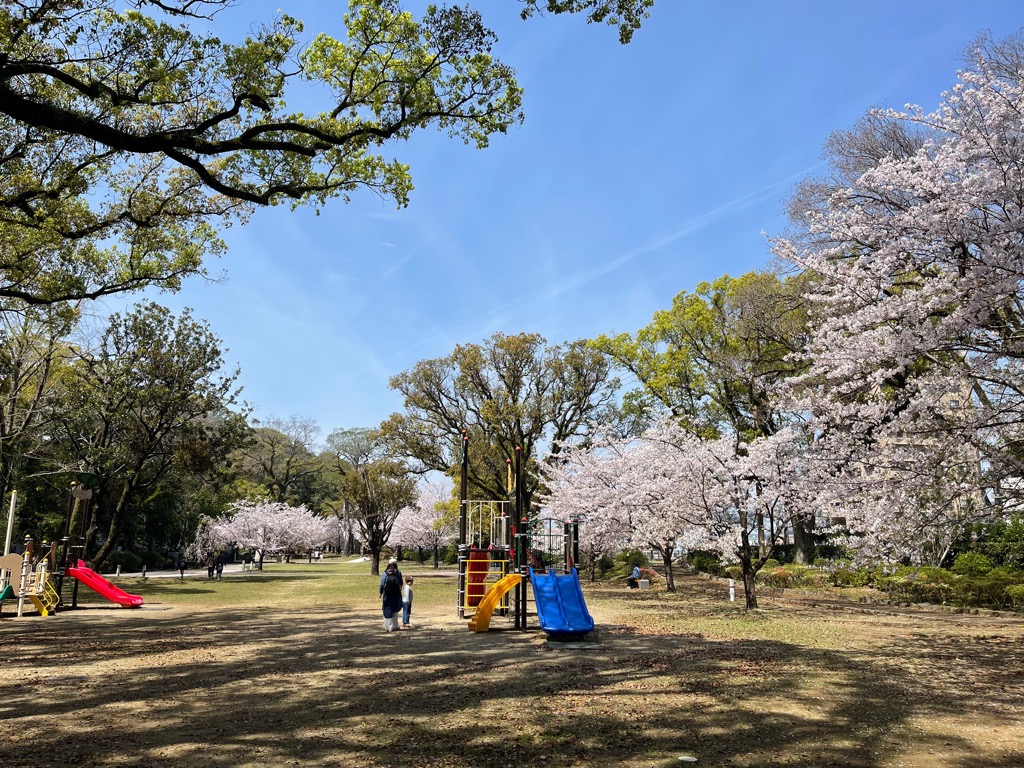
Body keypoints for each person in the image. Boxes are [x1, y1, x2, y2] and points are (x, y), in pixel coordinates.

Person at [379, 558, 404, 632]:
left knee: (387, 609)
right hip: (396, 593)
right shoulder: (398, 573)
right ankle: (395, 625)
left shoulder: (385, 573)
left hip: (387, 593)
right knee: (395, 609)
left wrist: (380, 593)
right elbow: (401, 583)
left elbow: (382, 584)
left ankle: (388, 627)